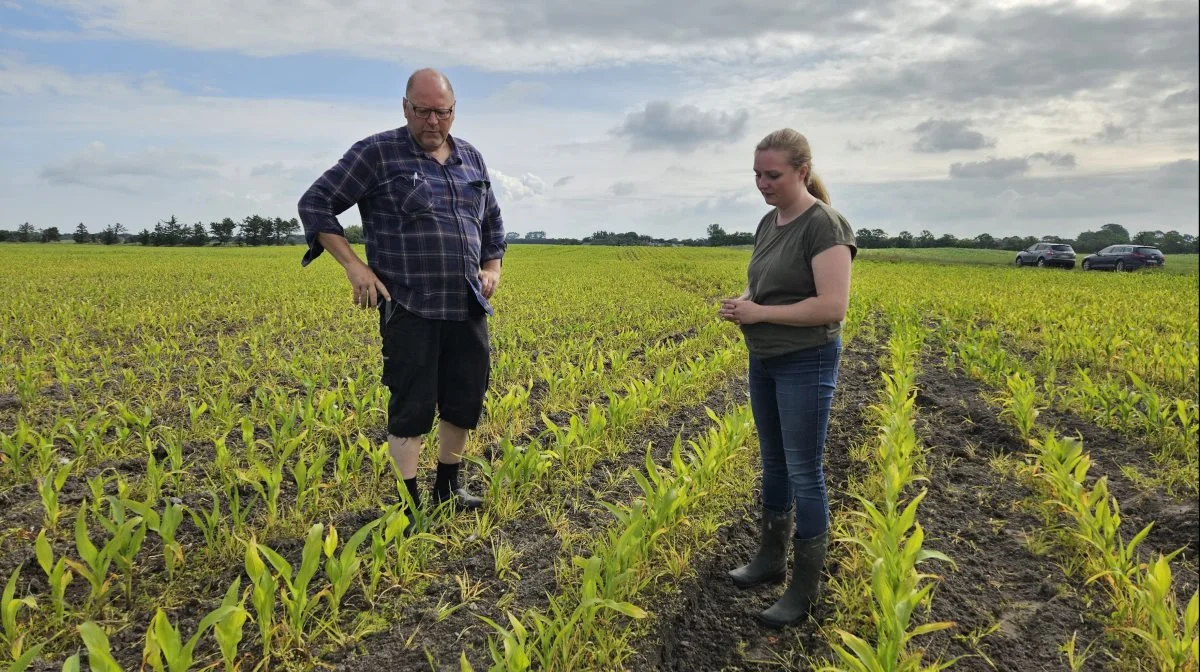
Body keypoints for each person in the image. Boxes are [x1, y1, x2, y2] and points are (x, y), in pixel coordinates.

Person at [297, 68, 507, 528]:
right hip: (410, 304)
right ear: (405, 106)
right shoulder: (377, 154)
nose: (433, 121)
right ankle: (408, 505)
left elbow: (492, 222)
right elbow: (315, 203)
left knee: (463, 399)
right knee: (411, 406)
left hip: (466, 304)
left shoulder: (471, 158)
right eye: (423, 110)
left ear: (454, 111)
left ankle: (449, 489)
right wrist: (354, 265)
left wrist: (491, 267)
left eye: (443, 112)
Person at [719, 128, 856, 628]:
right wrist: (745, 304)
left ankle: (804, 588)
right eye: (756, 174)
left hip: (806, 360)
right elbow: (771, 289)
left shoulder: (826, 226)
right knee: (773, 464)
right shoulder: (769, 222)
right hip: (766, 359)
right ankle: (769, 558)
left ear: (802, 171)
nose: (762, 183)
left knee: (804, 471)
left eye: (772, 174)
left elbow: (831, 306)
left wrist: (759, 315)